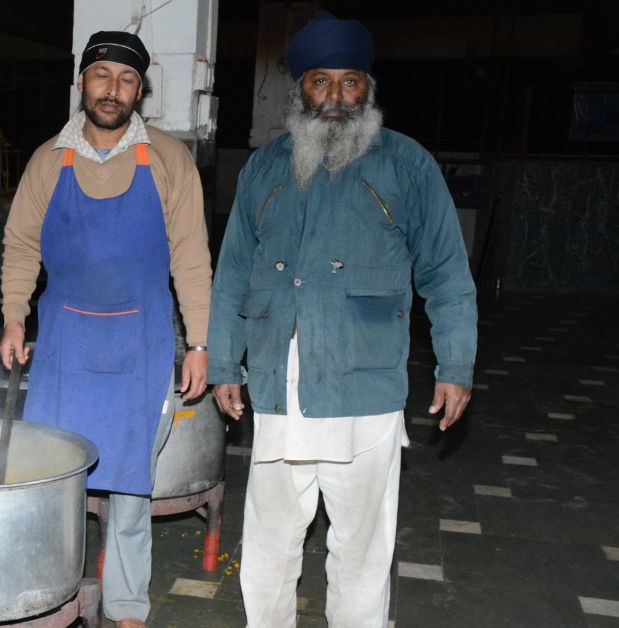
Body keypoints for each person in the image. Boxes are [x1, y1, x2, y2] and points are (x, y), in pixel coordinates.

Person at [206, 12, 477, 628]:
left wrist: (455, 364)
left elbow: (446, 273)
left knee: (360, 548)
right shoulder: (265, 168)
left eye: (349, 82)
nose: (334, 98)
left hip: (363, 384)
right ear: (299, 88)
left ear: (368, 87)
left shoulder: (407, 166)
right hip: (279, 382)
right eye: (320, 82)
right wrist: (225, 361)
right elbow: (233, 275)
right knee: (270, 545)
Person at [0, 31, 212, 628]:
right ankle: (48, 595)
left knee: (129, 489)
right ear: (81, 83)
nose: (111, 90)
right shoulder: (47, 159)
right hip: (64, 340)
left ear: (139, 90)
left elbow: (192, 256)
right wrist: (15, 314)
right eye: (101, 76)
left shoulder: (169, 159)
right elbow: (20, 246)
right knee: (53, 477)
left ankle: (126, 610)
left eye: (125, 80)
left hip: (140, 340)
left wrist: (198, 341)